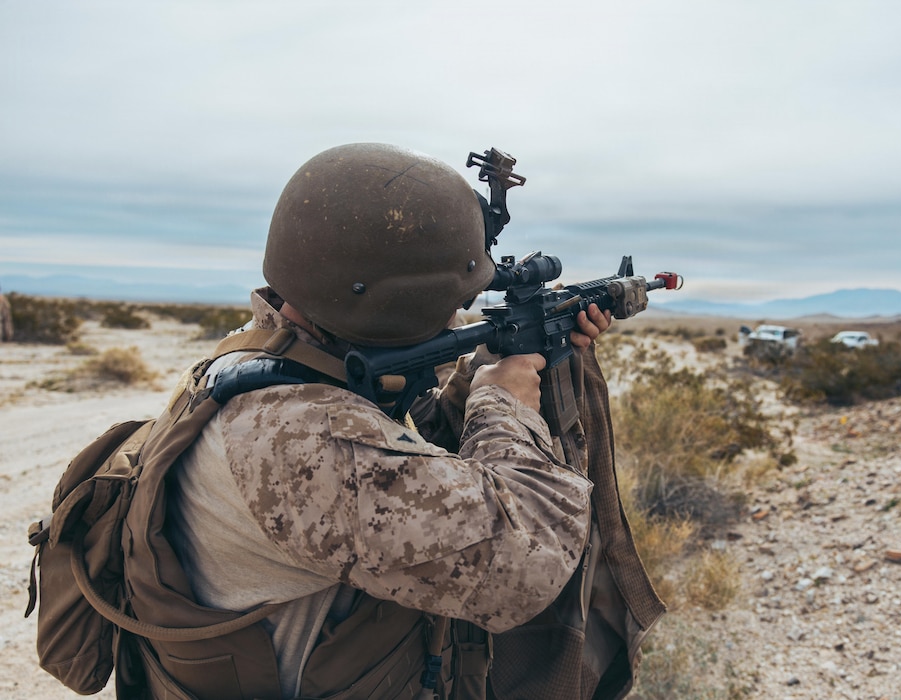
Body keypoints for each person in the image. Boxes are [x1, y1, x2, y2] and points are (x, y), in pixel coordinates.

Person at [121, 143, 644, 700]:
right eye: (452, 300)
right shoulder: (307, 443)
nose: (456, 315)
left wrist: (479, 374)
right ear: (386, 306)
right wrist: (503, 405)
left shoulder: (256, 358)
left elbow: (404, 442)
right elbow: (531, 558)